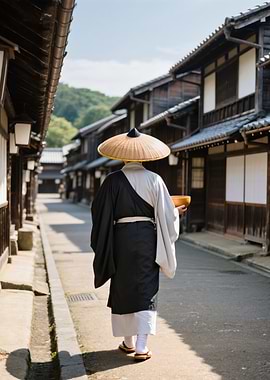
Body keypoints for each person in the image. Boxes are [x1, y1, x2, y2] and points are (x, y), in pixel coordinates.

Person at [90, 128, 187, 361]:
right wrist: (176, 212)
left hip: (120, 238)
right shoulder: (155, 179)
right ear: (144, 157)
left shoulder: (112, 181)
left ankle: (127, 341)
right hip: (147, 238)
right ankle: (142, 346)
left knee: (123, 287)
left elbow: (99, 212)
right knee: (145, 288)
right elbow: (165, 213)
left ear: (122, 156)